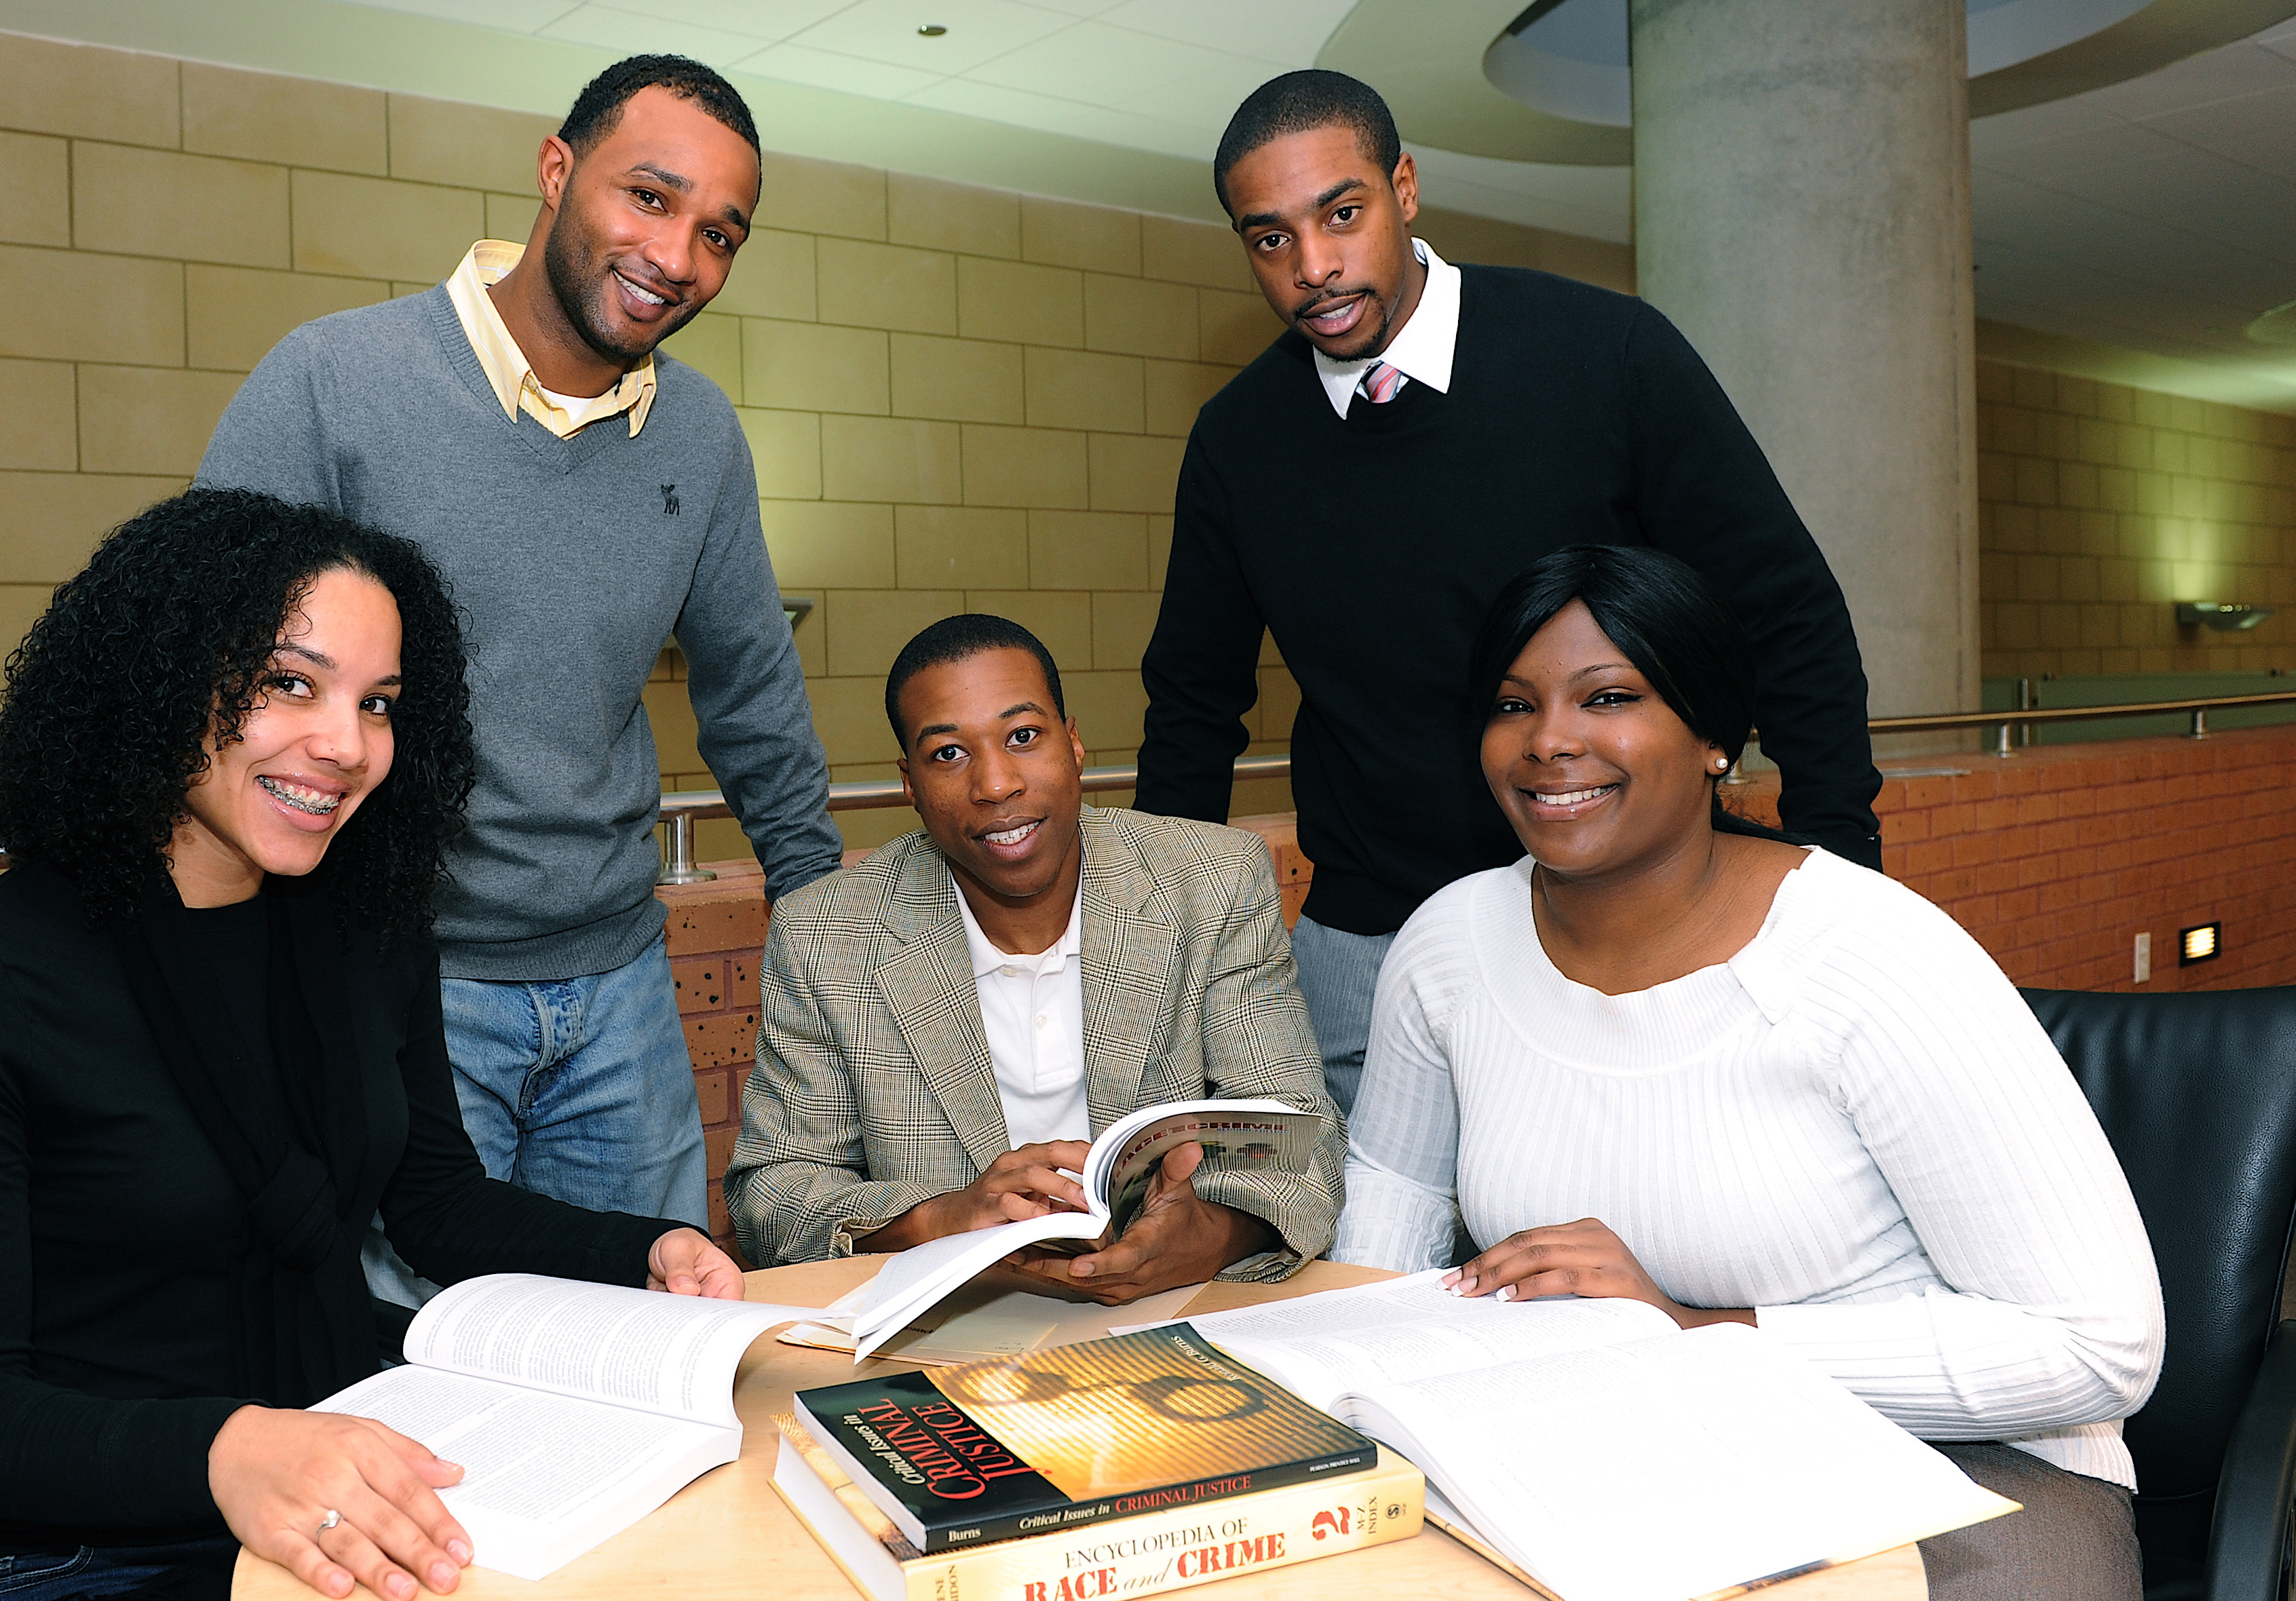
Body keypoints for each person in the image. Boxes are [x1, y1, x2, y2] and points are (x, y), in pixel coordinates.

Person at [0, 488, 744, 1601]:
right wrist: (230, 1451)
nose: (345, 745)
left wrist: (645, 1252)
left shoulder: (363, 930)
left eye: (380, 703)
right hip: (57, 1553)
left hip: (338, 1482)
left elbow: (434, 1204)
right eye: (290, 682)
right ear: (161, 681)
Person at [1333, 545, 2161, 1599]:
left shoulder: (1868, 954)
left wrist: (1692, 1337)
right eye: (1511, 705)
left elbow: (2098, 1348)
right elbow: (1389, 1227)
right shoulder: (1447, 947)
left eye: (1608, 696)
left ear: (1714, 736)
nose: (1548, 742)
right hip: (1601, 1436)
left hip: (1962, 1466)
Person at [1133, 69, 1883, 1118]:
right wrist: (1162, 979)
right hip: (1370, 944)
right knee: (1355, 1261)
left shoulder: (1605, 354)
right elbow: (1191, 712)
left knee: (1620, 1249)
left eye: (1339, 214)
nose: (1312, 267)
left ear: (1402, 188)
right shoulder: (1236, 442)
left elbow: (1785, 609)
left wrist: (1836, 879)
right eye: (1268, 239)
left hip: (1620, 913)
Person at [195, 54, 842, 1246]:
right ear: (555, 171)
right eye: (649, 198)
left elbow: (751, 689)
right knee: (419, 1383)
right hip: (393, 987)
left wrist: (826, 914)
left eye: (720, 234)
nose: (678, 257)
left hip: (623, 991)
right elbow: (200, 677)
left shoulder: (698, 434)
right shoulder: (335, 382)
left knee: (647, 1352)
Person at [725, 615, 1341, 1303]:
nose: (994, 784)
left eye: (1023, 736)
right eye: (948, 754)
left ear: (1074, 743)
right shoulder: (826, 932)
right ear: (909, 782)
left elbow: (1301, 1137)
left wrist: (1207, 1234)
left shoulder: (1210, 881)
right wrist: (944, 1219)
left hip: (1178, 1304)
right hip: (954, 1325)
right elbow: (772, 1194)